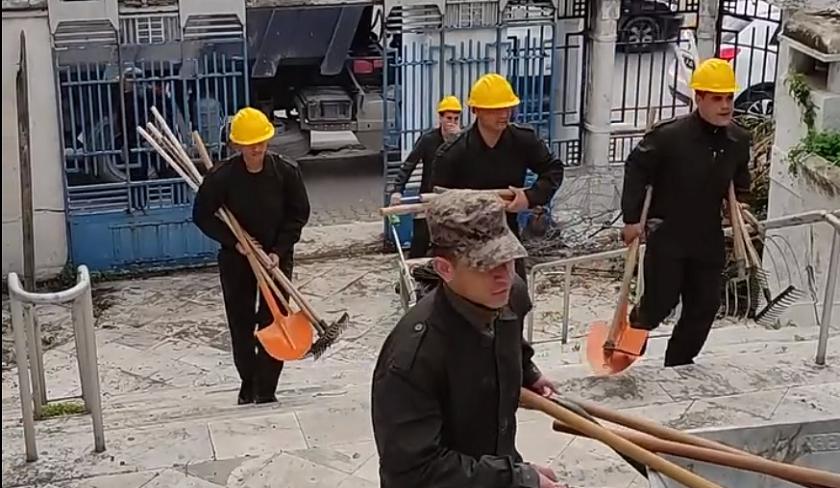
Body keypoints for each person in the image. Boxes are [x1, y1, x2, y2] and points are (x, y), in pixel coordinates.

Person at [371, 189, 564, 488]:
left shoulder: (509, 294)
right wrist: (517, 479)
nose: (504, 275)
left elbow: (509, 338)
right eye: (486, 265)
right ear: (444, 269)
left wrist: (527, 372)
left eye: (508, 259)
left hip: (492, 465)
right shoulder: (412, 358)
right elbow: (413, 471)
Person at [621, 58, 751, 367]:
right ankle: (627, 346)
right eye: (717, 98)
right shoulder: (669, 137)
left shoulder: (738, 140)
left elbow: (740, 180)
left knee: (704, 306)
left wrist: (741, 204)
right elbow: (636, 169)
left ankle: (678, 363)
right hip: (669, 233)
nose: (725, 106)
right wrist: (631, 219)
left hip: (707, 236)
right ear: (699, 99)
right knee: (658, 305)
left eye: (729, 98)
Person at [193, 107, 311, 404]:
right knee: (241, 322)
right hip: (237, 259)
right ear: (238, 146)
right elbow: (202, 216)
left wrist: (277, 251)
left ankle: (268, 388)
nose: (257, 148)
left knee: (274, 319)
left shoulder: (286, 172)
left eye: (261, 142)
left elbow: (298, 215)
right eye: (250, 144)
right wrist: (235, 243)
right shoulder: (222, 177)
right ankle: (248, 383)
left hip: (275, 258)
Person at [431, 73, 565, 280]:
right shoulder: (452, 154)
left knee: (515, 299)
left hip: (507, 237)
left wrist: (530, 196)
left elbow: (553, 169)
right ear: (476, 110)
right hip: (467, 243)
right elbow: (439, 210)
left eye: (507, 107)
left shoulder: (523, 141)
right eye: (496, 109)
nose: (504, 114)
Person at [389, 95, 463, 258]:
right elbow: (409, 164)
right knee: (421, 239)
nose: (452, 122)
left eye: (456, 119)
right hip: (428, 194)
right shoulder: (428, 139)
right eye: (449, 118)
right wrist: (397, 190)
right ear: (440, 118)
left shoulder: (463, 140)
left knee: (450, 242)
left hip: (452, 196)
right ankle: (413, 275)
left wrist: (457, 139)